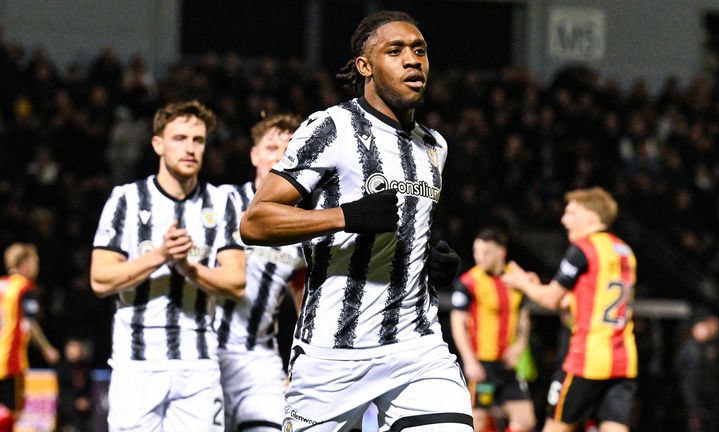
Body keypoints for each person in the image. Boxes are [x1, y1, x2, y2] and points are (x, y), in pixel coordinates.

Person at [240, 10, 472, 432]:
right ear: (365, 67)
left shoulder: (434, 146)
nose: (412, 60)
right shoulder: (331, 127)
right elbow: (255, 222)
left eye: (419, 50)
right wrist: (343, 216)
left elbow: (408, 226)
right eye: (395, 51)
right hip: (334, 352)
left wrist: (431, 263)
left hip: (417, 346)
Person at [90, 100, 246, 431]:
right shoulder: (127, 199)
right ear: (157, 143)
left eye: (198, 140)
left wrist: (190, 269)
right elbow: (100, 279)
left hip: (199, 365)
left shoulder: (222, 202)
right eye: (179, 138)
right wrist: (160, 256)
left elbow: (235, 282)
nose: (190, 148)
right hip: (136, 364)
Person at [502, 187, 637, 432]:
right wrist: (536, 286)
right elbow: (584, 299)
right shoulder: (624, 251)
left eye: (571, 213)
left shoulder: (584, 249)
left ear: (591, 217)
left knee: (556, 426)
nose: (564, 220)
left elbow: (552, 300)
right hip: (623, 359)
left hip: (588, 359)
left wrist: (522, 284)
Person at [215, 113, 306, 432]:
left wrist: (301, 366)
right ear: (254, 155)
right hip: (202, 356)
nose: (280, 155)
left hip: (258, 362)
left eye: (289, 149)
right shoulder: (219, 201)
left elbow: (304, 305)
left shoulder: (302, 227)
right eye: (271, 147)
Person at [451, 228, 536, 432]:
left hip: (506, 366)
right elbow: (458, 322)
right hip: (482, 365)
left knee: (525, 420)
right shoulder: (468, 282)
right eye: (476, 251)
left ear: (501, 252)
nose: (480, 257)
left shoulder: (515, 280)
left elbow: (523, 318)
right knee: (477, 421)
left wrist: (519, 345)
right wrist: (470, 360)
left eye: (486, 252)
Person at [0, 243, 59, 427]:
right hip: (11, 361)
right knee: (13, 412)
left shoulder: (2, 284)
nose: (37, 267)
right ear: (24, 263)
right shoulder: (25, 288)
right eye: (35, 262)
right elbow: (30, 324)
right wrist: (47, 348)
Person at [674, 309, 719, 432]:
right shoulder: (689, 349)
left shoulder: (713, 347)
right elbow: (682, 373)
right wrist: (690, 399)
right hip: (694, 397)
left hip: (710, 395)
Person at [56, 338, 93, 432]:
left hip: (84, 416)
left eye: (76, 348)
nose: (73, 351)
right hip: (68, 412)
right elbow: (62, 394)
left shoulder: (85, 369)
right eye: (70, 348)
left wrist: (86, 401)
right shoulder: (63, 369)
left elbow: (89, 390)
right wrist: (75, 403)